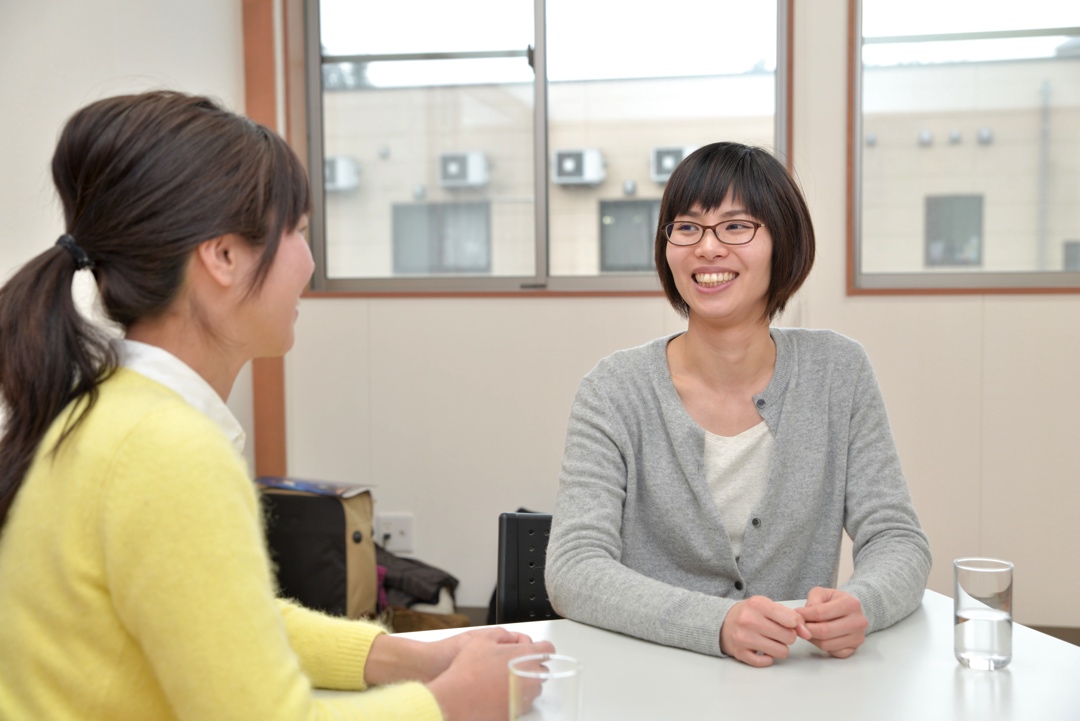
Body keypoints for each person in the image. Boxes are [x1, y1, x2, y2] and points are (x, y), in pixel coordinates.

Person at [0, 91, 552, 721]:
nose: (310, 263)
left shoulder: (104, 411)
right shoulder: (165, 449)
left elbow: (225, 622)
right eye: (296, 232)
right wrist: (449, 702)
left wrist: (414, 657)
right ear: (224, 256)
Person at [545, 141, 931, 668]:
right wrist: (715, 625)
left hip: (790, 679)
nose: (707, 248)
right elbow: (574, 568)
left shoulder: (838, 372)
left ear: (783, 243)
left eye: (736, 226)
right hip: (649, 675)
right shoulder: (614, 389)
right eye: (687, 227)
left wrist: (864, 602)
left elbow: (897, 537)